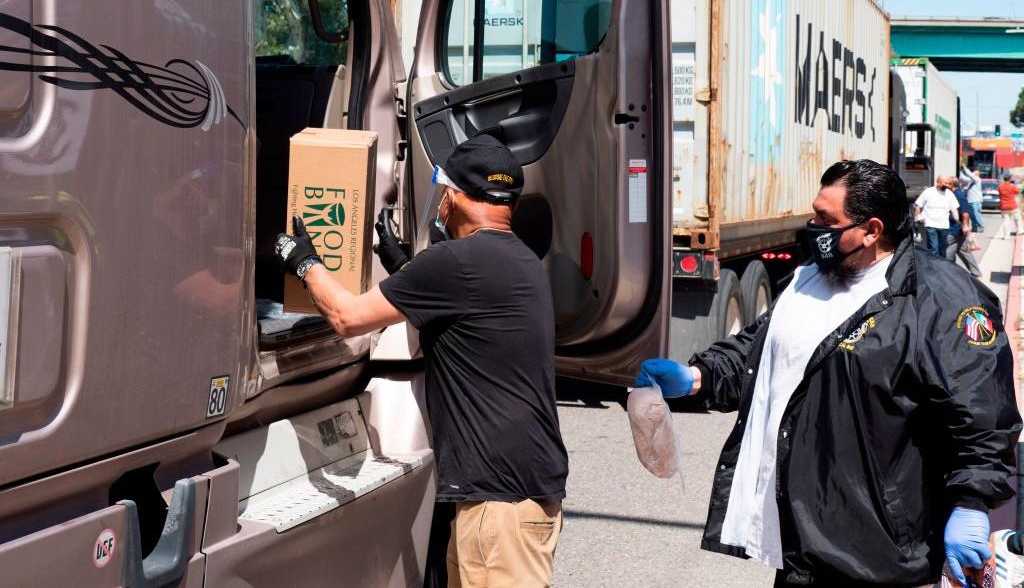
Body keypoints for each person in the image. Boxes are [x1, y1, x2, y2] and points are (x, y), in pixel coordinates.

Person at [636, 160, 1021, 587]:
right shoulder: (808, 280)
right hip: (801, 542)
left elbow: (983, 414)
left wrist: (972, 502)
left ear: (872, 230)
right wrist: (697, 377)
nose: (812, 226)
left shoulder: (943, 301)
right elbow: (760, 350)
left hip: (879, 552)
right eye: (814, 213)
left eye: (826, 219)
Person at [274, 134, 569, 588]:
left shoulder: (456, 262)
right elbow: (462, 312)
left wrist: (304, 261)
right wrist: (401, 265)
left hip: (500, 504)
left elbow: (346, 318)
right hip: (515, 493)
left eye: (443, 193)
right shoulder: (519, 260)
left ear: (453, 196)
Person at [943, 175, 982, 277]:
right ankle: (975, 272)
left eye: (946, 183)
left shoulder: (957, 195)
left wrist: (965, 226)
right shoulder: (955, 193)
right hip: (958, 229)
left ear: (951, 185)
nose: (944, 185)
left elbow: (965, 213)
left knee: (945, 249)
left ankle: (948, 273)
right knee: (963, 250)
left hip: (955, 229)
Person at [914, 175, 959, 256]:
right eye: (945, 183)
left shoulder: (950, 194)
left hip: (944, 225)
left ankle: (940, 266)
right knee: (934, 248)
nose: (948, 185)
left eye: (949, 184)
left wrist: (958, 221)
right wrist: (917, 218)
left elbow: (954, 209)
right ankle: (934, 266)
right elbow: (918, 206)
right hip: (930, 224)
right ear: (938, 183)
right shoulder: (928, 192)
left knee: (942, 249)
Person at [996, 174, 1023, 240]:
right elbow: (1017, 192)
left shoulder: (1000, 187)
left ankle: (1006, 236)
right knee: (1018, 218)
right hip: (1012, 206)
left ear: (1004, 179)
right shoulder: (1012, 186)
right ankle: (1020, 230)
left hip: (1004, 206)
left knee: (1006, 221)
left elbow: (999, 195)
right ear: (1010, 179)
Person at [960, 165, 986, 233]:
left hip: (976, 200)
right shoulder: (971, 181)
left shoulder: (977, 179)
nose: (974, 173)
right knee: (972, 215)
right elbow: (964, 178)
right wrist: (960, 171)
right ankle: (975, 227)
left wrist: (965, 168)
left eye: (976, 172)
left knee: (976, 214)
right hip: (971, 200)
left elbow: (970, 175)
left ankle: (980, 226)